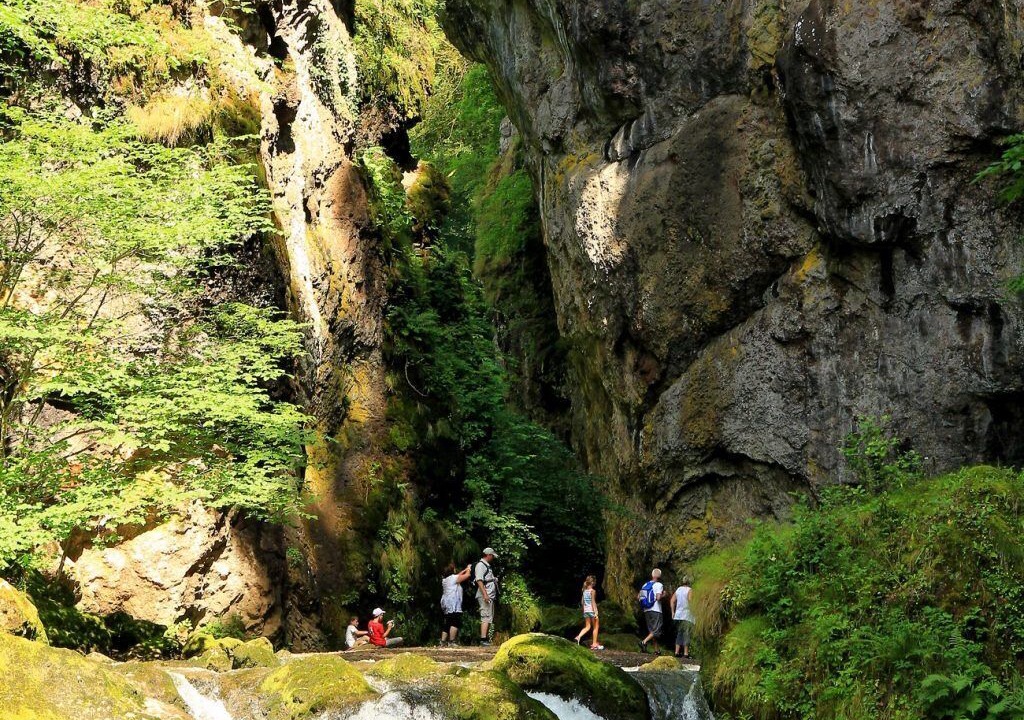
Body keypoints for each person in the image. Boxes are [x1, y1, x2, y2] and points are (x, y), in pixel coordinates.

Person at [440, 561, 473, 646]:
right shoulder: (454, 578)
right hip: (453, 603)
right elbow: (467, 576)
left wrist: (465, 569)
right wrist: (468, 569)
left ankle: (443, 641)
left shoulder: (445, 580)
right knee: (455, 621)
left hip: (447, 603)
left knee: (448, 622)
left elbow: (458, 575)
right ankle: (452, 641)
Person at [474, 547, 499, 646]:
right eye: (492, 556)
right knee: (485, 615)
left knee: (488, 616)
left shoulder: (486, 565)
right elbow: (479, 580)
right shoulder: (481, 565)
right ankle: (483, 639)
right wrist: (485, 594)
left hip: (489, 594)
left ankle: (485, 639)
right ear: (488, 555)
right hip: (485, 594)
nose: (493, 557)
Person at [637, 568, 665, 654]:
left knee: (652, 630)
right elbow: (658, 598)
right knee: (656, 630)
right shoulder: (659, 585)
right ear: (659, 576)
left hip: (647, 610)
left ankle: (657, 650)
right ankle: (643, 642)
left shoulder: (645, 585)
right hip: (656, 610)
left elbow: (638, 597)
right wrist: (664, 594)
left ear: (652, 575)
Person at [573, 575, 604, 650]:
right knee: (596, 627)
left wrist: (584, 611)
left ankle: (578, 637)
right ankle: (594, 644)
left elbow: (582, 602)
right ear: (592, 582)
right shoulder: (592, 591)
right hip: (592, 611)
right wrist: (596, 612)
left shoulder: (584, 591)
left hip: (586, 611)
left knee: (587, 627)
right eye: (594, 582)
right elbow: (593, 602)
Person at [670, 575, 695, 659]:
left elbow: (672, 601)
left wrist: (673, 612)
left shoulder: (679, 589)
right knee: (686, 633)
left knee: (680, 633)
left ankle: (676, 652)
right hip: (687, 615)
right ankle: (686, 653)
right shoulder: (689, 590)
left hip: (678, 615)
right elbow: (690, 600)